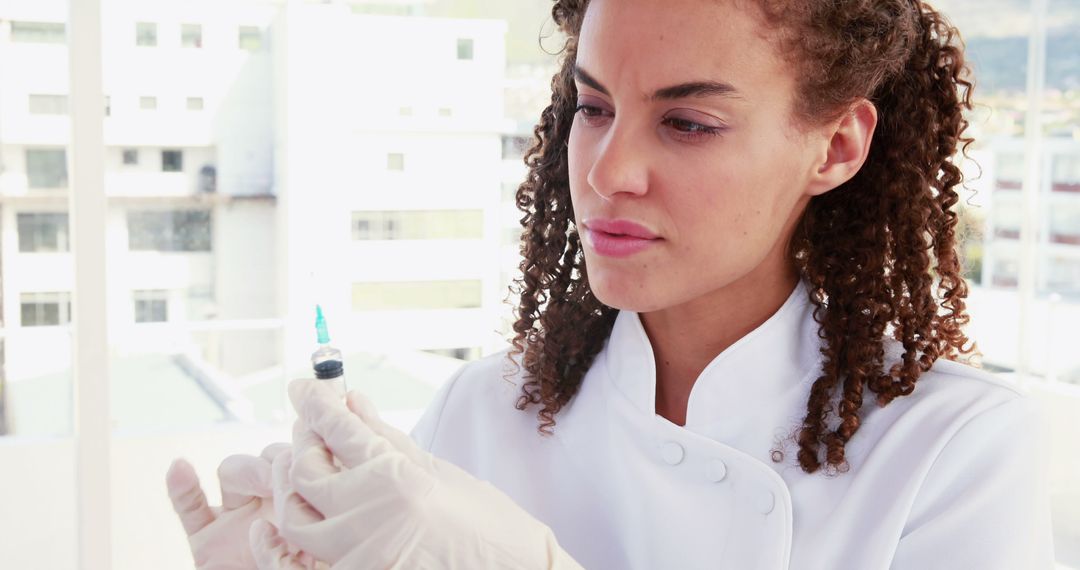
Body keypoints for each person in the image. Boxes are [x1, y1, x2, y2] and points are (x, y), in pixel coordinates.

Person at [167, 0, 1057, 568]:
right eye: (593, 108)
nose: (607, 170)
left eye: (688, 122)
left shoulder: (954, 451)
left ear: (835, 147)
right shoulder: (478, 414)